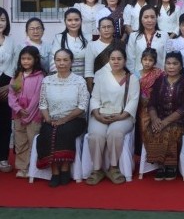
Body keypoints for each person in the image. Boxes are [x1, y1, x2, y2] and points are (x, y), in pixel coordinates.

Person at [86, 47, 139, 185]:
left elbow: (133, 100)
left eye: (119, 59)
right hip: (101, 114)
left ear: (125, 61)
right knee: (96, 135)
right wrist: (97, 115)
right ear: (108, 61)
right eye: (113, 59)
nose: (116, 62)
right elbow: (94, 98)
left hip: (123, 116)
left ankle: (113, 167)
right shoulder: (101, 76)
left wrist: (121, 116)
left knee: (115, 133)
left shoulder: (132, 79)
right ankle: (97, 169)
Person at [36, 49, 89, 187]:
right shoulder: (47, 80)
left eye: (65, 60)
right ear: (54, 62)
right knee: (46, 132)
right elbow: (42, 104)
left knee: (64, 131)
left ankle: (65, 167)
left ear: (71, 62)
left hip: (75, 119)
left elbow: (82, 106)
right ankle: (55, 171)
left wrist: (64, 120)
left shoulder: (79, 81)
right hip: (52, 119)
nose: (61, 63)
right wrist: (48, 119)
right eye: (58, 60)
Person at [143, 51, 184, 181]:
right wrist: (155, 119)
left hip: (181, 120)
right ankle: (160, 164)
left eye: (175, 64)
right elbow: (151, 104)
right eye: (168, 63)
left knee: (170, 130)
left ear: (181, 66)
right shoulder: (159, 81)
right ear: (164, 65)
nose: (171, 66)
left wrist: (164, 122)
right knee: (152, 130)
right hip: (159, 118)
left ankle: (171, 165)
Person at [8, 46, 45, 178]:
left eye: (29, 59)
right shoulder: (17, 76)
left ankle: (32, 167)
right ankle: (22, 168)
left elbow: (37, 97)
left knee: (32, 141)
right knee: (20, 141)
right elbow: (11, 95)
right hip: (18, 115)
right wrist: (18, 108)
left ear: (36, 59)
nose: (26, 61)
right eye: (23, 58)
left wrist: (28, 111)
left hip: (34, 115)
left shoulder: (40, 76)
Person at [84, 17, 125, 92]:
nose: (106, 30)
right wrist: (91, 90)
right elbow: (89, 71)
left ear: (114, 29)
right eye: (103, 27)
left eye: (109, 27)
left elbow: (126, 66)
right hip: (99, 86)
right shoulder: (92, 45)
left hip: (119, 84)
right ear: (99, 29)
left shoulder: (120, 44)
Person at [134, 48, 163, 150]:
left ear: (154, 62)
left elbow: (161, 88)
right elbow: (134, 90)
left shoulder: (158, 73)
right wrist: (142, 98)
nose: (147, 62)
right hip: (141, 104)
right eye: (145, 59)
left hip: (155, 104)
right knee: (143, 125)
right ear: (141, 60)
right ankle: (144, 149)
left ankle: (154, 149)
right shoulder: (136, 74)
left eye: (150, 60)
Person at [126, 5, 168, 72]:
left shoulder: (164, 36)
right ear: (141, 19)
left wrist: (163, 75)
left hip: (159, 75)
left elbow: (167, 58)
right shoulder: (133, 36)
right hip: (139, 75)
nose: (149, 20)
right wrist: (135, 75)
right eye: (146, 17)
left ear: (156, 18)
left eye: (152, 17)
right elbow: (130, 59)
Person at [50, 7, 89, 77]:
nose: (73, 23)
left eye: (76, 20)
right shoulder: (59, 38)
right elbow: (53, 60)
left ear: (81, 20)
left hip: (85, 78)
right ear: (65, 21)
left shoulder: (88, 38)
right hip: (64, 78)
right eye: (69, 20)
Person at [0, 7, 15, 173]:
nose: (0, 23)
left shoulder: (11, 41)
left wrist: (10, 85)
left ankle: (2, 158)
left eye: (3, 19)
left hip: (6, 86)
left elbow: (16, 65)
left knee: (4, 124)